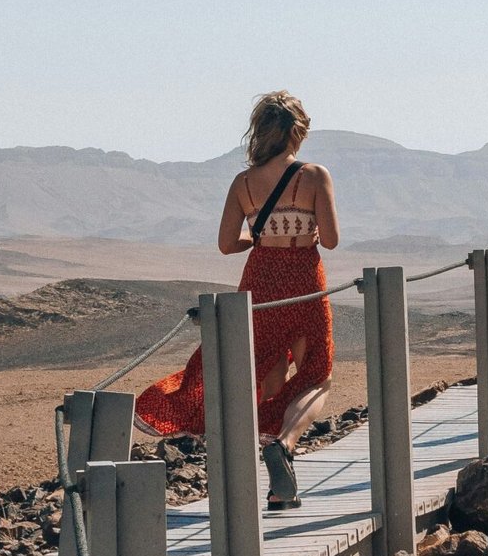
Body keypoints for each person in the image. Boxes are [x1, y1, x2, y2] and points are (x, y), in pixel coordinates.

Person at [134, 91, 340, 510]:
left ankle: (274, 487)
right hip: (305, 277)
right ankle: (284, 445)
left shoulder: (243, 183)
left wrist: (260, 238)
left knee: (267, 370)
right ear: (297, 131)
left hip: (261, 279)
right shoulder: (315, 175)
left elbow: (227, 244)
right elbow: (332, 241)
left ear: (261, 131)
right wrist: (305, 232)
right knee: (317, 374)